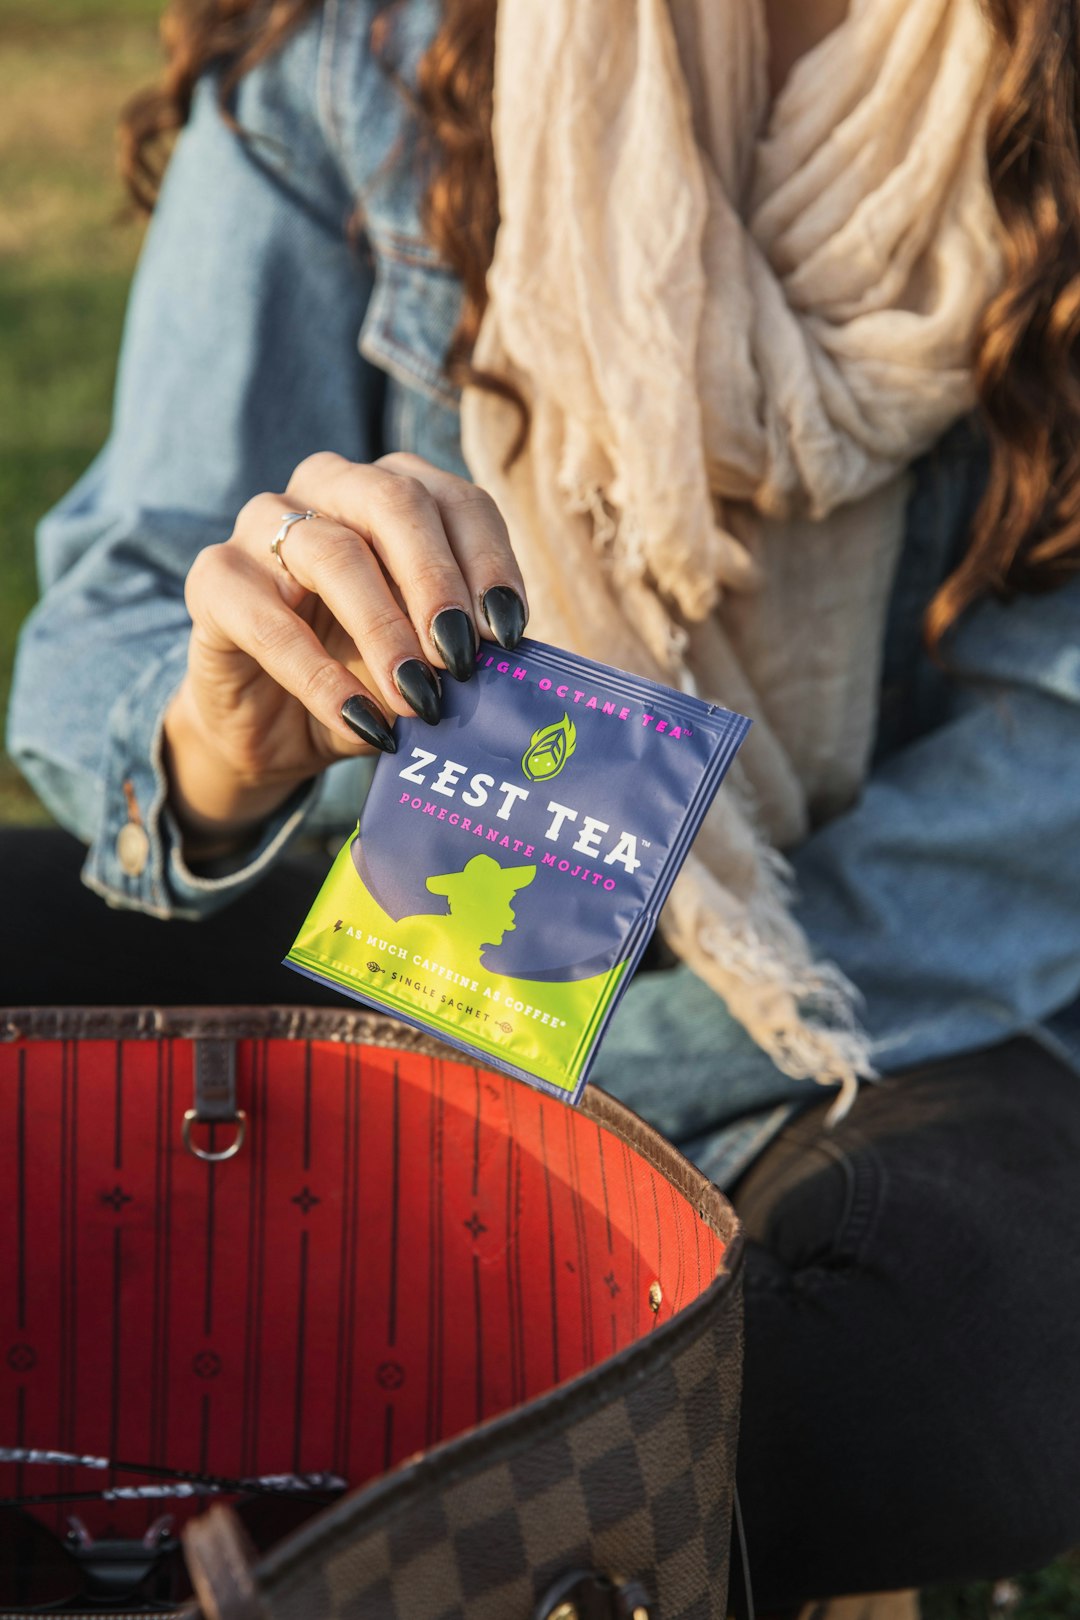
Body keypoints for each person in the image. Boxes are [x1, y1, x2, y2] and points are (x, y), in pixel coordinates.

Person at [6, 0, 1080, 1611]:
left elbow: (1039, 792)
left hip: (864, 987)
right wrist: (222, 748)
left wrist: (500, 1084)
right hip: (373, 908)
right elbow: (114, 617)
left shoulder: (1042, 88)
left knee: (965, 1357)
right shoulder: (346, 62)